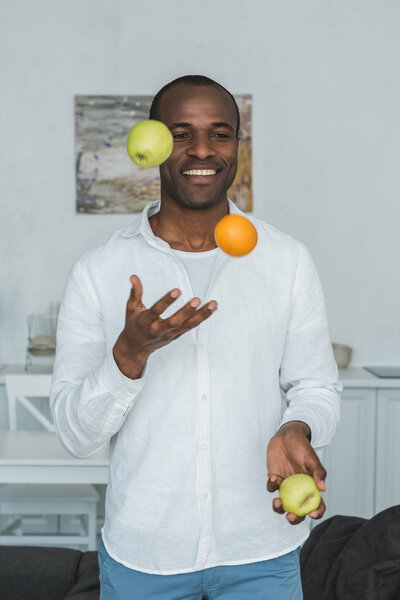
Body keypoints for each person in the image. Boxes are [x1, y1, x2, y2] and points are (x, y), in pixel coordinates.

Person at [50, 75, 343, 600]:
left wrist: (297, 427)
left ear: (237, 146)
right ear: (154, 143)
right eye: (181, 133)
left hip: (262, 549)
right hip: (145, 556)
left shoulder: (286, 260)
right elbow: (76, 436)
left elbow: (316, 386)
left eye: (220, 133)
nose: (203, 149)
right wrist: (128, 356)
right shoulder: (100, 270)